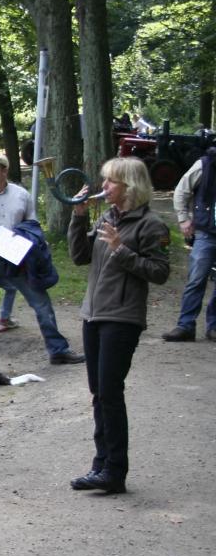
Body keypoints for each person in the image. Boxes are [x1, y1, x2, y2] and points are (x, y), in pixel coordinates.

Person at [67, 157, 170, 494]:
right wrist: (78, 216)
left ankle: (115, 471)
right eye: (105, 181)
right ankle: (101, 465)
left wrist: (120, 249)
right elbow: (79, 257)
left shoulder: (151, 225)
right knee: (99, 394)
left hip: (122, 318)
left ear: (130, 186)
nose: (104, 187)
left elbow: (159, 272)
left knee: (110, 393)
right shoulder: (107, 217)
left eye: (111, 182)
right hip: (93, 315)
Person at [0, 152, 85, 364]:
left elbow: (32, 227)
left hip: (17, 262)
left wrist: (35, 250)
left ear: (4, 171)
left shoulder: (21, 195)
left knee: (42, 304)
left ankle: (58, 350)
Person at [162, 148, 216, 342]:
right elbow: (181, 191)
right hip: (206, 233)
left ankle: (214, 327)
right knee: (196, 279)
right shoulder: (205, 164)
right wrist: (184, 219)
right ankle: (185, 325)